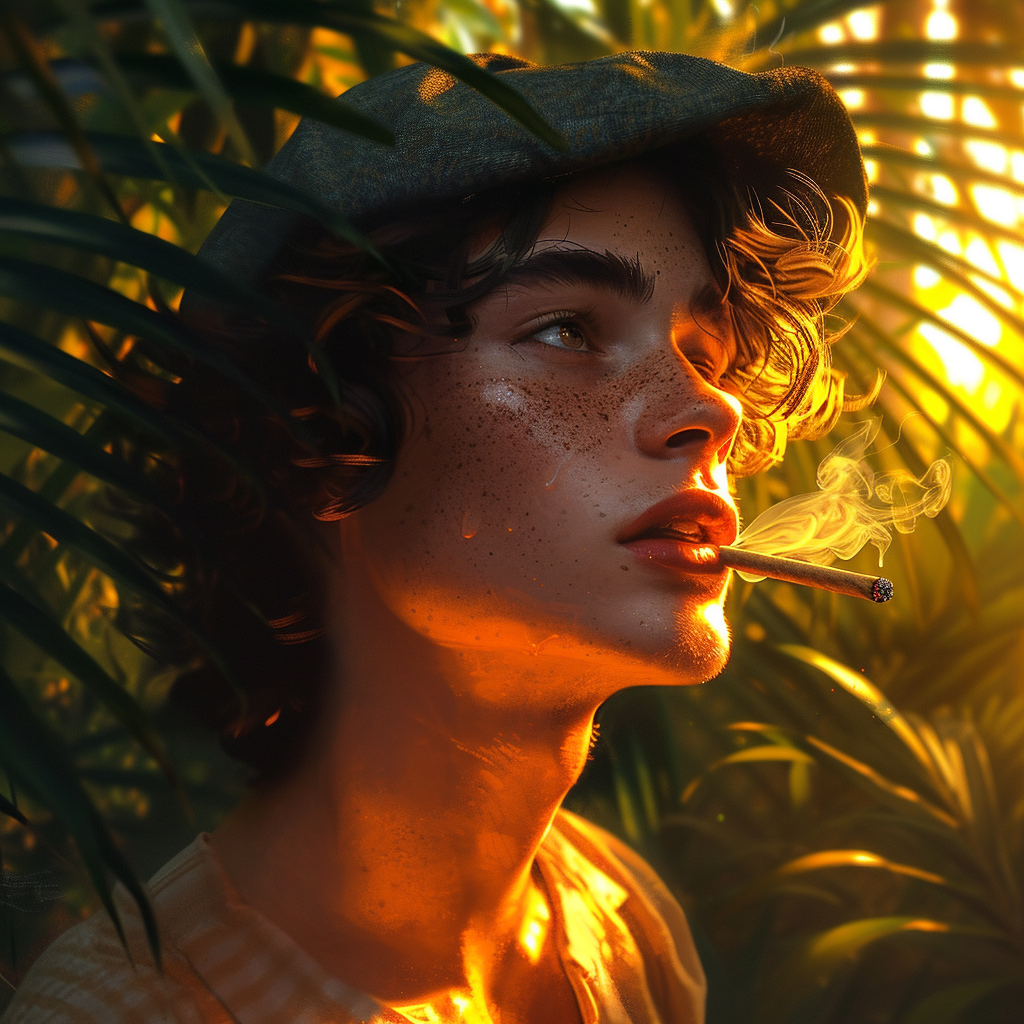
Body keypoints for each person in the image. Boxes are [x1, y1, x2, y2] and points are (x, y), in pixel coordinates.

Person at [3, 50, 871, 1024]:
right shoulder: (120, 1011)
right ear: (316, 431)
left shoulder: (620, 921)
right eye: (568, 330)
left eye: (701, 350)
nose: (709, 407)